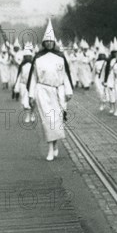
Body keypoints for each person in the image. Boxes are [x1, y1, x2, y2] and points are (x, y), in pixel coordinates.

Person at [27, 19, 73, 161]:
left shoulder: (60, 58)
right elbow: (33, 77)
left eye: (50, 41)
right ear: (43, 43)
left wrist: (68, 91)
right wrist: (31, 94)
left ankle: (55, 144)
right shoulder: (38, 58)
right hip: (42, 91)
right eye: (46, 41)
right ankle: (50, 148)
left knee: (56, 120)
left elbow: (65, 75)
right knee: (47, 120)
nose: (48, 44)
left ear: (54, 43)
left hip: (57, 91)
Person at [14, 42, 35, 123]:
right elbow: (19, 77)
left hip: (32, 86)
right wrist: (16, 87)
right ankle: (27, 115)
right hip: (23, 85)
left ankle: (32, 113)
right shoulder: (22, 65)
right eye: (26, 57)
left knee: (32, 101)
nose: (28, 58)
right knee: (24, 102)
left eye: (29, 57)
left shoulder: (34, 65)